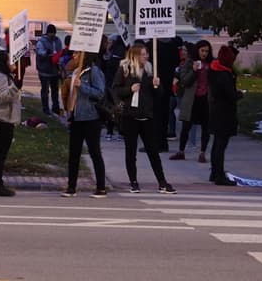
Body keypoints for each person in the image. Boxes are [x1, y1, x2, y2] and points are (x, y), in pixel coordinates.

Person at [111, 42, 176, 194]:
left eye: (147, 53)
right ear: (135, 55)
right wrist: (129, 89)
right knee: (131, 151)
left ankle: (162, 182)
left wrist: (157, 86)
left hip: (147, 116)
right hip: (130, 116)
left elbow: (159, 95)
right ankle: (133, 182)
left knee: (153, 151)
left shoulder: (149, 70)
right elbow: (115, 90)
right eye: (143, 54)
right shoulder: (125, 69)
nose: (146, 56)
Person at [63, 53, 109, 198]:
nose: (74, 55)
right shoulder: (75, 71)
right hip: (76, 117)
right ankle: (71, 187)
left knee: (95, 152)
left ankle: (101, 187)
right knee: (74, 154)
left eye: (77, 53)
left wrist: (82, 86)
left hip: (90, 117)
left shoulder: (94, 71)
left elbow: (100, 93)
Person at [0, 50, 23, 197]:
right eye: (9, 61)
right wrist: (15, 87)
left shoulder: (5, 77)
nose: (12, 64)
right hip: (0, 121)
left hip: (6, 120)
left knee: (1, 154)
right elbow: (1, 97)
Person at [207, 45, 244, 186]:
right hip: (224, 113)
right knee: (220, 145)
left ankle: (215, 172)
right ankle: (219, 174)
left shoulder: (215, 69)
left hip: (217, 111)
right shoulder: (224, 75)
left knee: (217, 144)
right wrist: (239, 94)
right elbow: (230, 95)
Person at [171, 40, 211, 162]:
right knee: (186, 126)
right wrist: (194, 71)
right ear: (197, 50)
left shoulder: (210, 63)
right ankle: (181, 151)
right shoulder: (189, 63)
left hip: (206, 99)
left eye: (206, 51)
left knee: (206, 127)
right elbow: (184, 81)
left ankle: (202, 153)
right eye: (202, 51)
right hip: (192, 99)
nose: (204, 53)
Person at [35, 24, 64, 116]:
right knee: (45, 91)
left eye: (54, 33)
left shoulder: (58, 41)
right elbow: (40, 53)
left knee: (55, 91)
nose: (52, 35)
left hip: (54, 71)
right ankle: (45, 108)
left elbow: (60, 52)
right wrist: (47, 54)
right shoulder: (41, 42)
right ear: (47, 33)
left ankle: (55, 108)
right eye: (51, 33)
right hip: (44, 71)